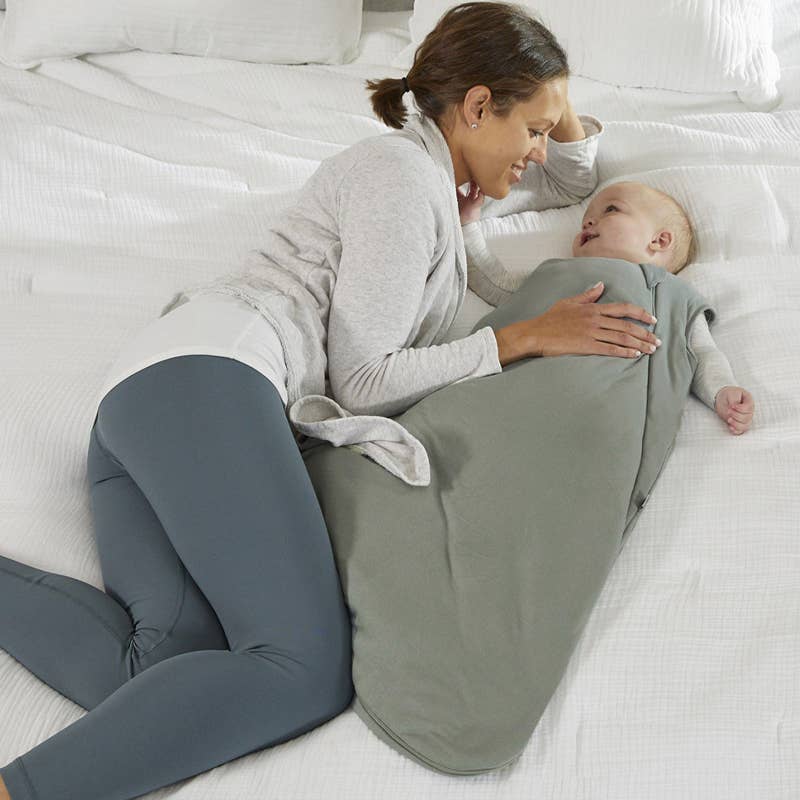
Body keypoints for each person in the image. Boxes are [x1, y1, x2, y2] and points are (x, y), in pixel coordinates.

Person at [0, 3, 664, 799]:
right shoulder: (401, 180)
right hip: (211, 378)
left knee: (161, 665)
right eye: (532, 128)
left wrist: (550, 89)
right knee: (303, 669)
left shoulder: (443, 179)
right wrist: (521, 339)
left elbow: (574, 178)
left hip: (152, 401)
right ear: (478, 105)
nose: (538, 150)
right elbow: (364, 380)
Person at [457, 178, 756, 434]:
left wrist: (722, 391)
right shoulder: (558, 273)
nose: (588, 222)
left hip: (602, 411)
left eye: (611, 210)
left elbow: (701, 352)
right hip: (517, 389)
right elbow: (497, 286)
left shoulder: (676, 294)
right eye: (585, 218)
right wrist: (467, 224)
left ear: (660, 240)